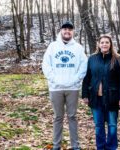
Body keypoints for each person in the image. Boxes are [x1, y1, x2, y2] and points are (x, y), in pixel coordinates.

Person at [42, 21, 87, 150]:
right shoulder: (53, 46)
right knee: (58, 117)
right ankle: (56, 145)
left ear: (73, 32)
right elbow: (46, 65)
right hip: (56, 88)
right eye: (65, 29)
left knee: (72, 116)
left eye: (70, 29)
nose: (67, 31)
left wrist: (76, 79)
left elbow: (84, 65)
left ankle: (75, 146)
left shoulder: (78, 47)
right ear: (61, 31)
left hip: (72, 88)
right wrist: (54, 79)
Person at [82, 34, 120, 150]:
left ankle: (112, 147)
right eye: (102, 42)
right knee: (98, 125)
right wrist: (85, 95)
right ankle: (100, 147)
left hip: (113, 98)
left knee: (112, 125)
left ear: (110, 44)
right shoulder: (92, 59)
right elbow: (87, 78)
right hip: (96, 98)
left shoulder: (118, 59)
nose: (104, 44)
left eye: (107, 42)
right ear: (99, 44)